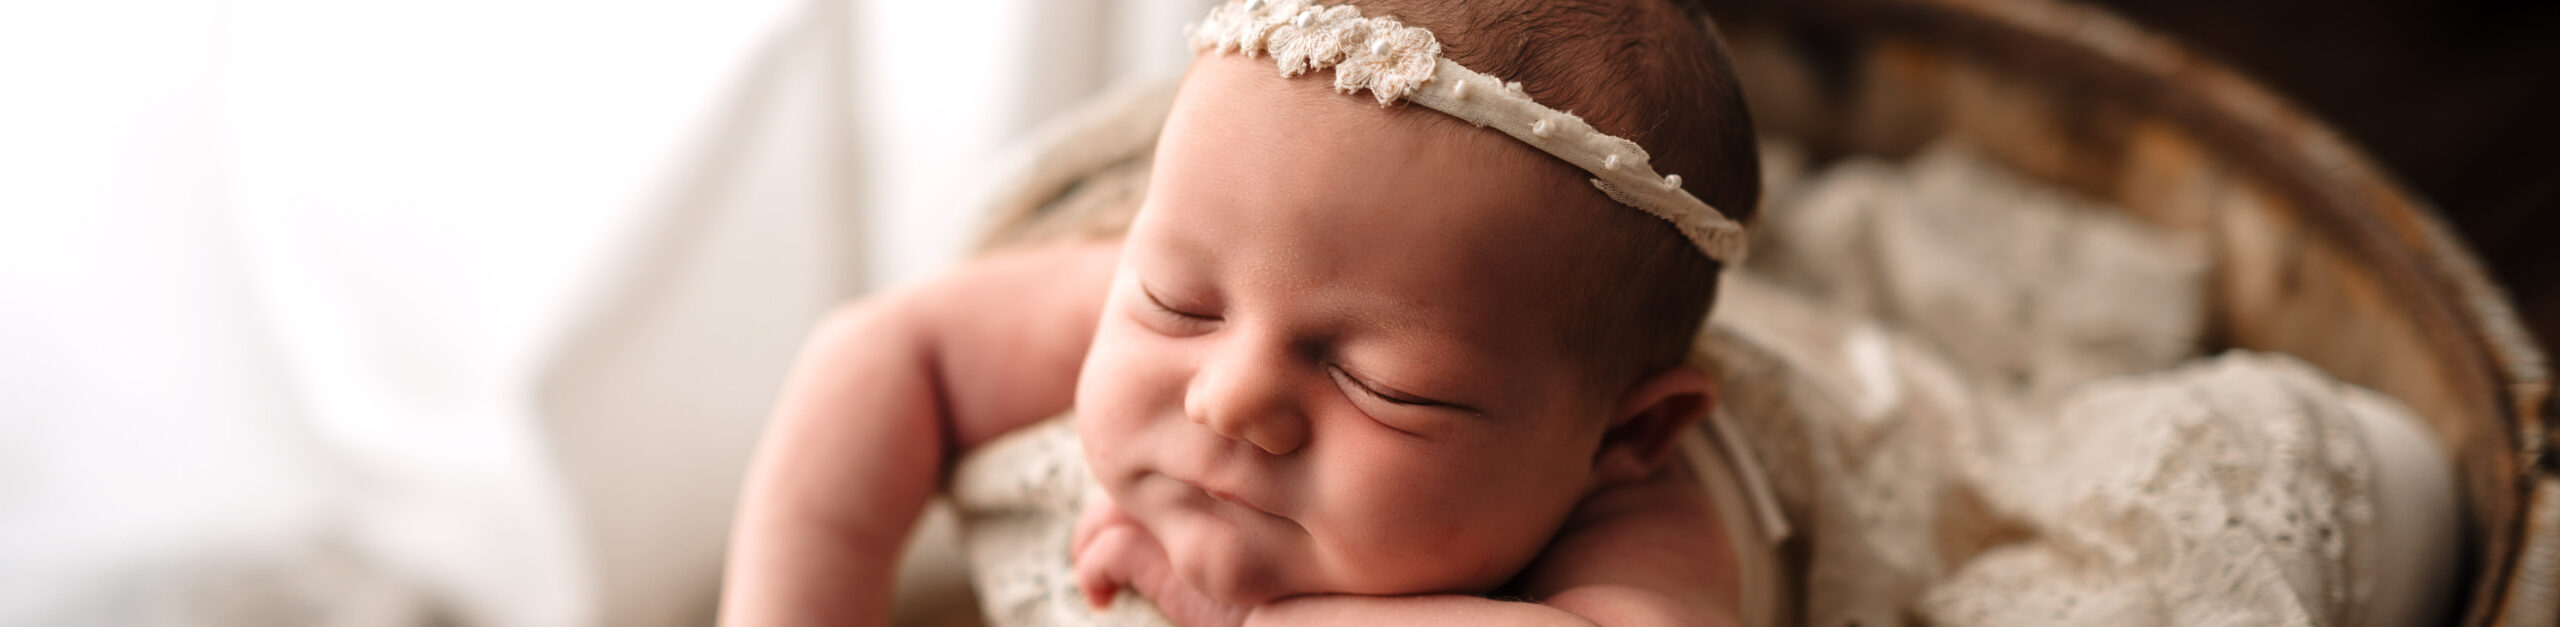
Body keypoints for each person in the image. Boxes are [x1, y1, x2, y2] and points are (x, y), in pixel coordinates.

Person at [718, 0, 1770, 624]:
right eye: (1178, 305)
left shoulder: (1643, 511)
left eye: (1383, 384)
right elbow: (872, 354)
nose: (1226, 396)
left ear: (1625, 435)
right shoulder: (1205, 272)